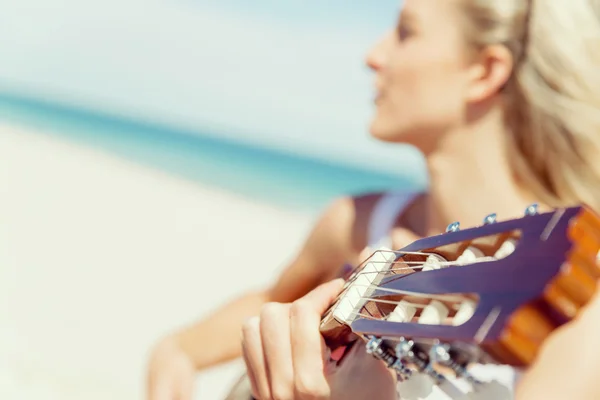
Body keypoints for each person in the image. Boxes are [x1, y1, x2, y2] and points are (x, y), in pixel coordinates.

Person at [147, 0, 600, 397]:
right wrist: (179, 350)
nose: (373, 56)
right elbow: (274, 299)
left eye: (406, 32)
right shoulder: (358, 222)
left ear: (484, 71)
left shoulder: (578, 301)